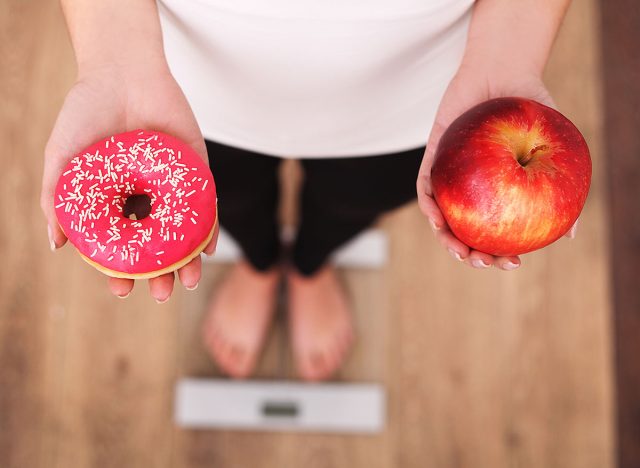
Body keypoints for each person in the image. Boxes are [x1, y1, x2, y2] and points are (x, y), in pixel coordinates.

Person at [41, 0, 576, 381]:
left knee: (354, 201)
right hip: (177, 87)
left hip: (425, 96)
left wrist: (509, 56)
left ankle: (310, 264)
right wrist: (113, 58)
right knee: (233, 199)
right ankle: (259, 260)